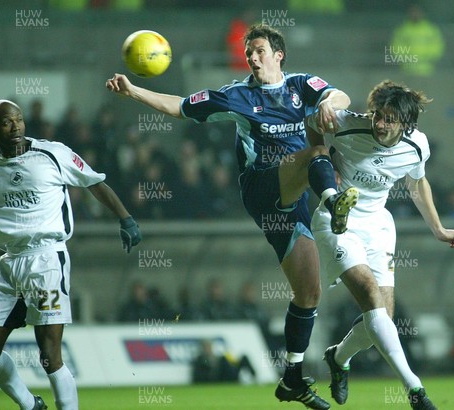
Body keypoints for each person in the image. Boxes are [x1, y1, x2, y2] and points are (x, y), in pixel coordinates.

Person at [106, 24, 359, 409]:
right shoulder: (236, 96)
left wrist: (330, 103)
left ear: (279, 54)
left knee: (309, 293)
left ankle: (291, 377)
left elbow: (338, 94)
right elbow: (179, 106)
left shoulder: (302, 86)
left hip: (290, 198)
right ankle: (333, 199)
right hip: (261, 187)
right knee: (317, 153)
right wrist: (134, 90)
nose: (252, 58)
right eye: (248, 53)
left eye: (259, 51)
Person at [307, 80, 454, 409]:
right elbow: (312, 123)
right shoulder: (348, 124)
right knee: (371, 298)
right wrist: (322, 158)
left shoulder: (418, 146)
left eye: (389, 119)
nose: (380, 124)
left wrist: (437, 228)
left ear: (406, 124)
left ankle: (338, 359)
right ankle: (416, 391)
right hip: (337, 221)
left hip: (378, 225)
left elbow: (417, 182)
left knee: (380, 321)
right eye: (377, 115)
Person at [0, 100, 141, 410]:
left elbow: (94, 182)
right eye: (6, 123)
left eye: (19, 120)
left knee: (48, 354)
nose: (15, 126)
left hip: (46, 260)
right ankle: (30, 405)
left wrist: (126, 219)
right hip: (9, 264)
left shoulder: (52, 153)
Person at [390, 4, 445, 77]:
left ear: (423, 13)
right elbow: (396, 47)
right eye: (412, 12)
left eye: (417, 11)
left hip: (427, 70)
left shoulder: (431, 30)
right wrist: (406, 59)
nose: (415, 14)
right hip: (407, 70)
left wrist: (427, 58)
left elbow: (438, 47)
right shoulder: (402, 30)